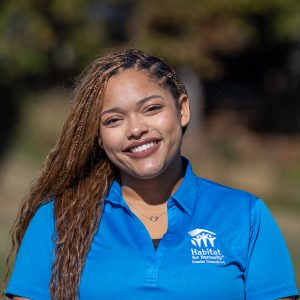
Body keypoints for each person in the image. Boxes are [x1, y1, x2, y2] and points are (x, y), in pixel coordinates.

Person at [4, 49, 299, 300]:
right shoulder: (57, 219)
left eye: (151, 108)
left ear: (183, 109)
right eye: (114, 119)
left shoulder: (246, 216)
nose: (135, 129)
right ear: (98, 136)